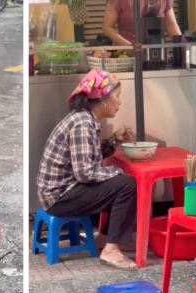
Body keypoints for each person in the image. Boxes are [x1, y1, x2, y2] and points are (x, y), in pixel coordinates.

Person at [37, 69, 138, 270]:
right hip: (60, 196)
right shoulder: (83, 123)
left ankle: (105, 239)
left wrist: (115, 139)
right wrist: (116, 172)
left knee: (120, 183)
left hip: (61, 191)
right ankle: (111, 249)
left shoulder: (83, 119)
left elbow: (88, 156)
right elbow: (85, 173)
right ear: (103, 100)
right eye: (117, 97)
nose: (119, 102)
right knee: (126, 184)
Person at [103, 0, 182, 45]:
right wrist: (130, 47)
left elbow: (171, 25)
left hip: (158, 55)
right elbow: (107, 27)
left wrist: (183, 48)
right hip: (130, 57)